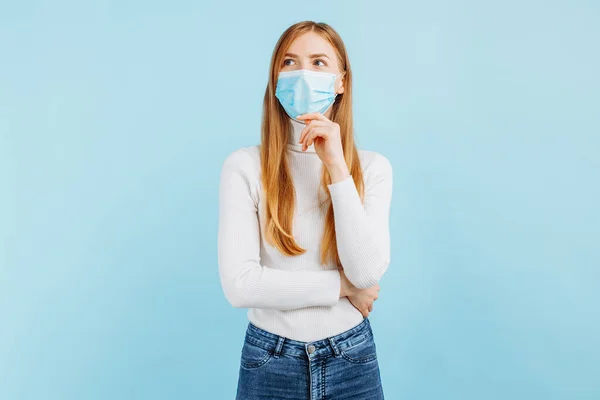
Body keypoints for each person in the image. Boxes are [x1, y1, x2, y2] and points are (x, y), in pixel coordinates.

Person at [218, 20, 393, 399]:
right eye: (289, 62)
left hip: (352, 359)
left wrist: (336, 166)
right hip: (269, 360)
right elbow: (240, 285)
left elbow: (366, 272)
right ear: (275, 78)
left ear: (341, 81)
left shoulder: (373, 169)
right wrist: (342, 287)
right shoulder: (245, 166)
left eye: (318, 63)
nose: (302, 74)